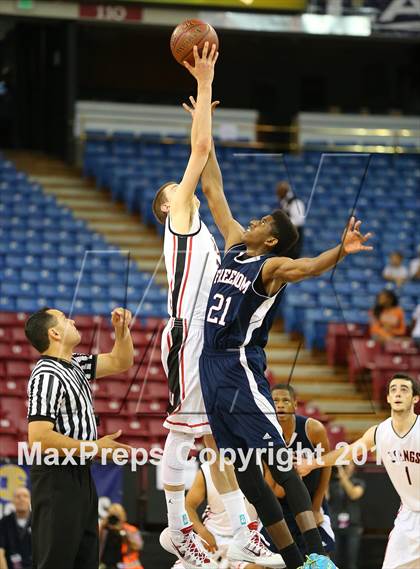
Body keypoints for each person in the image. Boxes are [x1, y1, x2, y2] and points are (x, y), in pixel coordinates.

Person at [196, 115, 372, 568]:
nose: (249, 221)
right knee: (246, 472)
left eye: (260, 222)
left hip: (237, 365)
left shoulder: (271, 268)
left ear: (271, 239)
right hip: (209, 365)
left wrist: (341, 250)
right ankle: (293, 559)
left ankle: (316, 556)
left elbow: (309, 267)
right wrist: (204, 121)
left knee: (276, 459)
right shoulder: (236, 246)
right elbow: (212, 188)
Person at [152, 47, 280, 568]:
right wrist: (204, 85)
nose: (180, 189)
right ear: (166, 204)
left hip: (205, 341)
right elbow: (200, 151)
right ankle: (178, 527)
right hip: (188, 336)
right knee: (188, 433)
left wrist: (205, 111)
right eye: (172, 189)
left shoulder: (203, 228)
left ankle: (237, 526)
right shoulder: (178, 216)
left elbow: (210, 174)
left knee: (210, 437)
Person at [25, 307, 134, 569]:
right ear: (54, 333)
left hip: (81, 474)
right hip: (56, 477)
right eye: (64, 319)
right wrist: (94, 447)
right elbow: (38, 438)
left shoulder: (76, 364)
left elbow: (121, 361)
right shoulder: (46, 374)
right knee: (56, 560)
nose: (72, 320)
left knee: (84, 559)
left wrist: (121, 332)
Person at [297, 373, 420, 569]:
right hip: (408, 517)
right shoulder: (380, 432)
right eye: (393, 390)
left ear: (415, 398)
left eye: (404, 390)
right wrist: (313, 463)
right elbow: (348, 452)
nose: (398, 394)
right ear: (387, 398)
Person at [264, 385, 335, 557]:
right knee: (271, 558)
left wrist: (317, 507)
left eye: (285, 400)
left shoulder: (313, 429)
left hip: (311, 501)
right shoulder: (265, 433)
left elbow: (326, 465)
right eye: (275, 401)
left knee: (321, 555)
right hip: (281, 506)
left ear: (295, 405)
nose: (280, 405)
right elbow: (272, 488)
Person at [170, 460, 277, 569]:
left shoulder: (260, 464)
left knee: (257, 568)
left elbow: (278, 495)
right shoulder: (206, 470)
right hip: (213, 540)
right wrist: (202, 531)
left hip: (246, 540)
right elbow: (188, 506)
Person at [328, 464, 365, 569]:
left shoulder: (358, 482)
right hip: (334, 525)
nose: (345, 465)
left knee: (351, 562)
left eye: (349, 463)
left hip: (353, 526)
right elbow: (325, 497)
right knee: (333, 561)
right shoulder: (332, 482)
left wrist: (343, 476)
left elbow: (353, 494)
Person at [99, 503, 143, 569]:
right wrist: (103, 525)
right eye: (112, 516)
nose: (114, 519)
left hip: (126, 565)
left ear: (122, 516)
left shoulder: (130, 529)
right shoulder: (103, 529)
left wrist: (124, 533)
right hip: (105, 564)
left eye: (117, 516)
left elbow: (138, 546)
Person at [0, 487, 32, 569]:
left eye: (25, 496)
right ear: (12, 501)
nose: (21, 499)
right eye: (18, 496)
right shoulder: (4, 522)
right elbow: (0, 552)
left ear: (30, 500)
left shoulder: (38, 520)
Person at [276, 181, 305, 259]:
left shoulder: (296, 202)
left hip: (293, 241)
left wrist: (282, 224)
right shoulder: (283, 203)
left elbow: (299, 221)